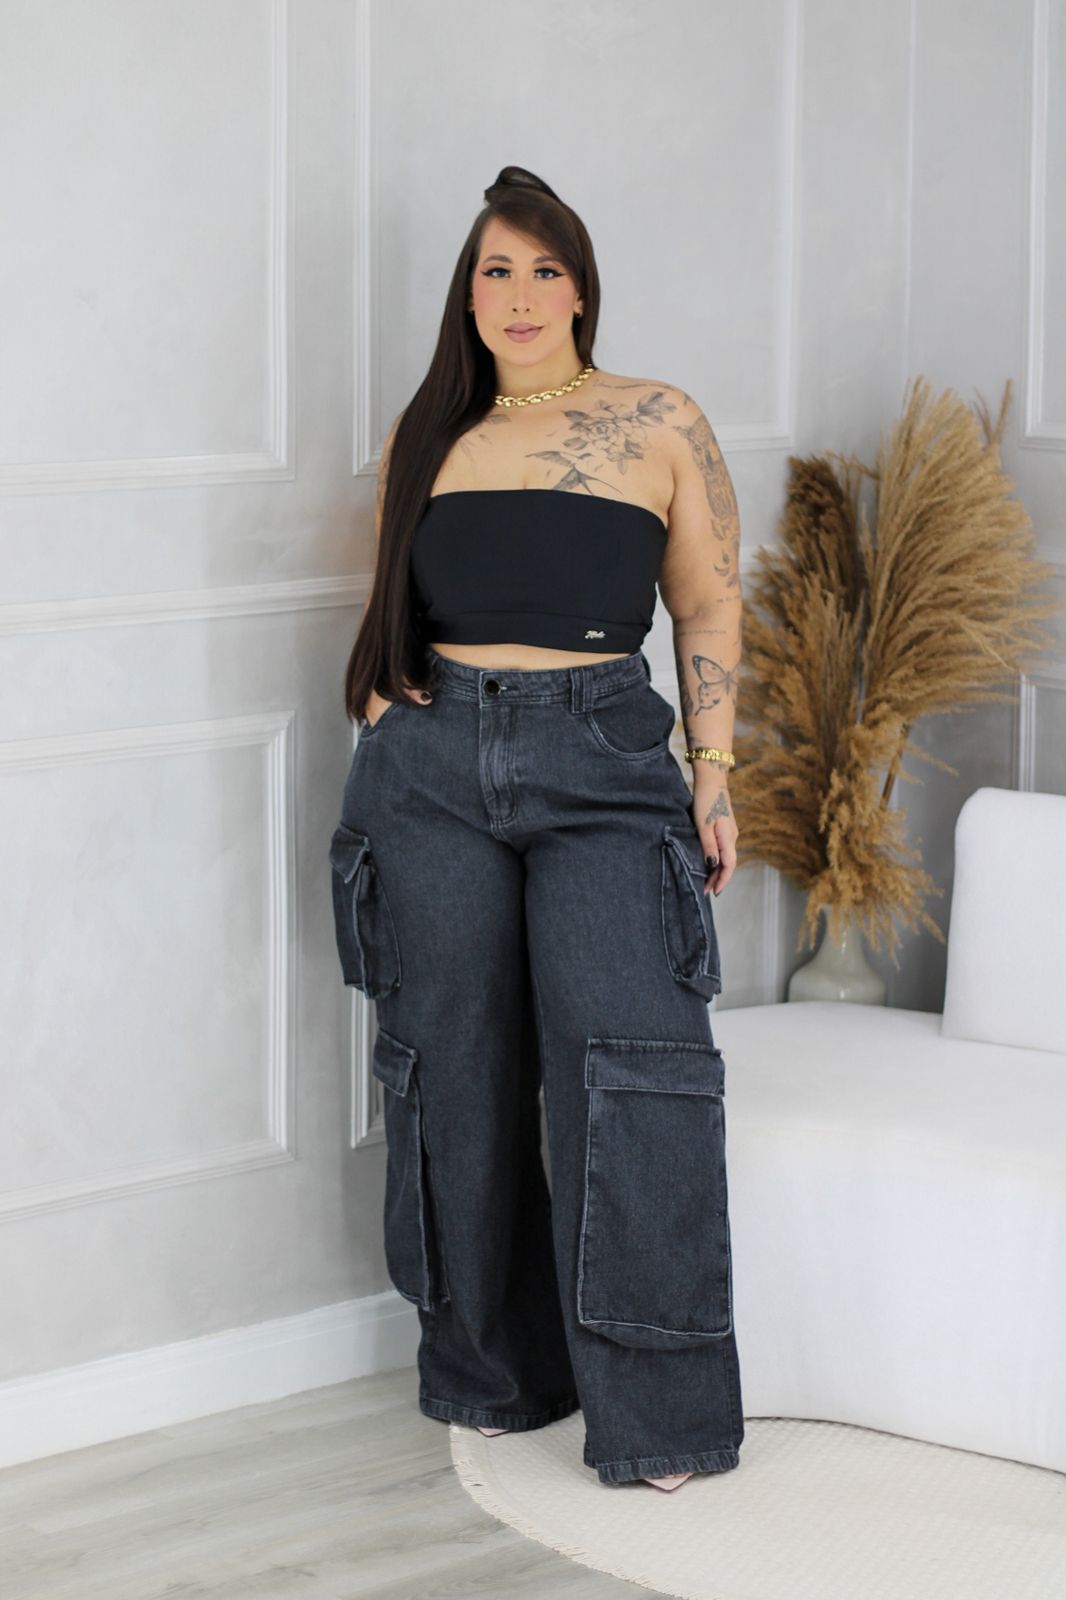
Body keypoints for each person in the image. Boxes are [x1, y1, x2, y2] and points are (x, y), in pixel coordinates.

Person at [329, 165, 744, 1492]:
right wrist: (389, 708)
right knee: (453, 1072)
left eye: (543, 269)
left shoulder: (658, 419)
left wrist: (714, 773)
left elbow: (708, 606)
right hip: (432, 767)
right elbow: (388, 601)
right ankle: (494, 1374)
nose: (518, 295)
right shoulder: (428, 433)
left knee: (634, 1070)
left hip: (602, 756)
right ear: (468, 295)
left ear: (580, 287)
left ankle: (660, 1418)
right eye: (495, 271)